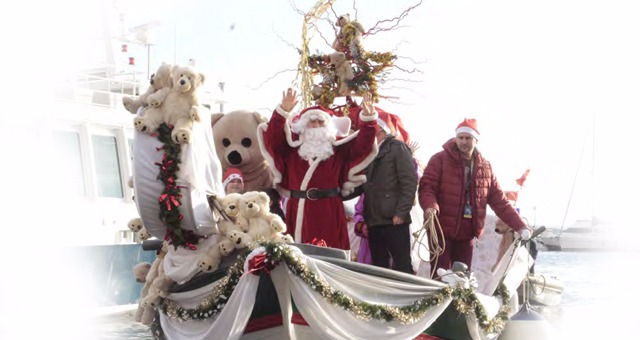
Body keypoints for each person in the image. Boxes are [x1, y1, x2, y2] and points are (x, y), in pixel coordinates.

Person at [257, 89, 379, 250]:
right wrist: (282, 111)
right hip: (299, 209)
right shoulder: (291, 148)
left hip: (329, 210)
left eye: (320, 122)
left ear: (327, 126)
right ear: (303, 125)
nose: (316, 126)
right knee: (299, 257)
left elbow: (363, 145)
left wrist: (368, 120)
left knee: (330, 254)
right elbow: (273, 137)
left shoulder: (338, 149)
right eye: (312, 122)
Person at [418, 118, 531, 277]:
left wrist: (520, 226)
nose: (464, 142)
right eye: (461, 138)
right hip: (440, 228)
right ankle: (438, 299)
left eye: (468, 138)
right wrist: (431, 206)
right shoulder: (439, 160)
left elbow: (500, 202)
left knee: (463, 277)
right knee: (439, 275)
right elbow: (426, 188)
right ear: (456, 138)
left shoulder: (485, 167)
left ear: (476, 140)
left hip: (467, 232)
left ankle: (460, 302)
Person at [361, 118, 417, 274]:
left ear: (380, 129)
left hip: (394, 220)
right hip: (374, 219)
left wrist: (401, 212)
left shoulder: (398, 148)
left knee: (402, 266)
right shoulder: (371, 152)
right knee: (379, 268)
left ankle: (407, 297)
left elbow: (409, 181)